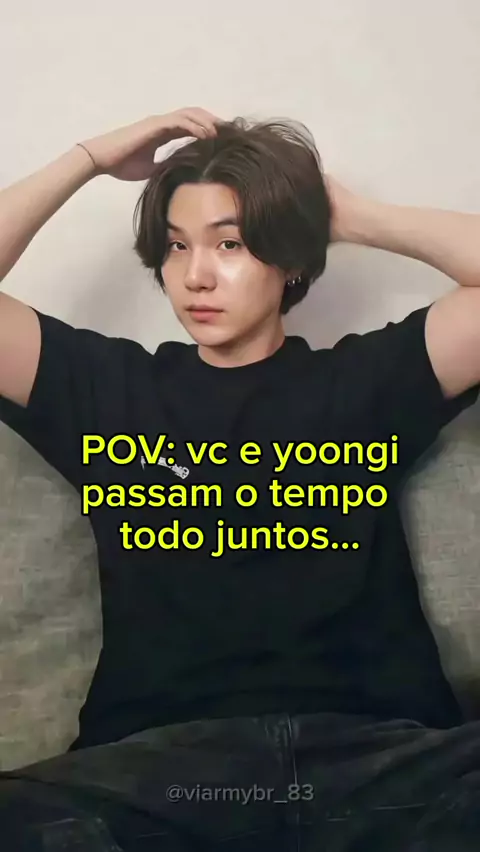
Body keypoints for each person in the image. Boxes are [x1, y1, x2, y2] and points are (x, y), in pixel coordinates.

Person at [0, 105, 479, 851]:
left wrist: (352, 217)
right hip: (160, 778)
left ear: (290, 259)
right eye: (176, 246)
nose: (196, 275)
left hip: (380, 766)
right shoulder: (103, 390)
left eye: (231, 243)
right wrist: (87, 159)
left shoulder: (368, 382)